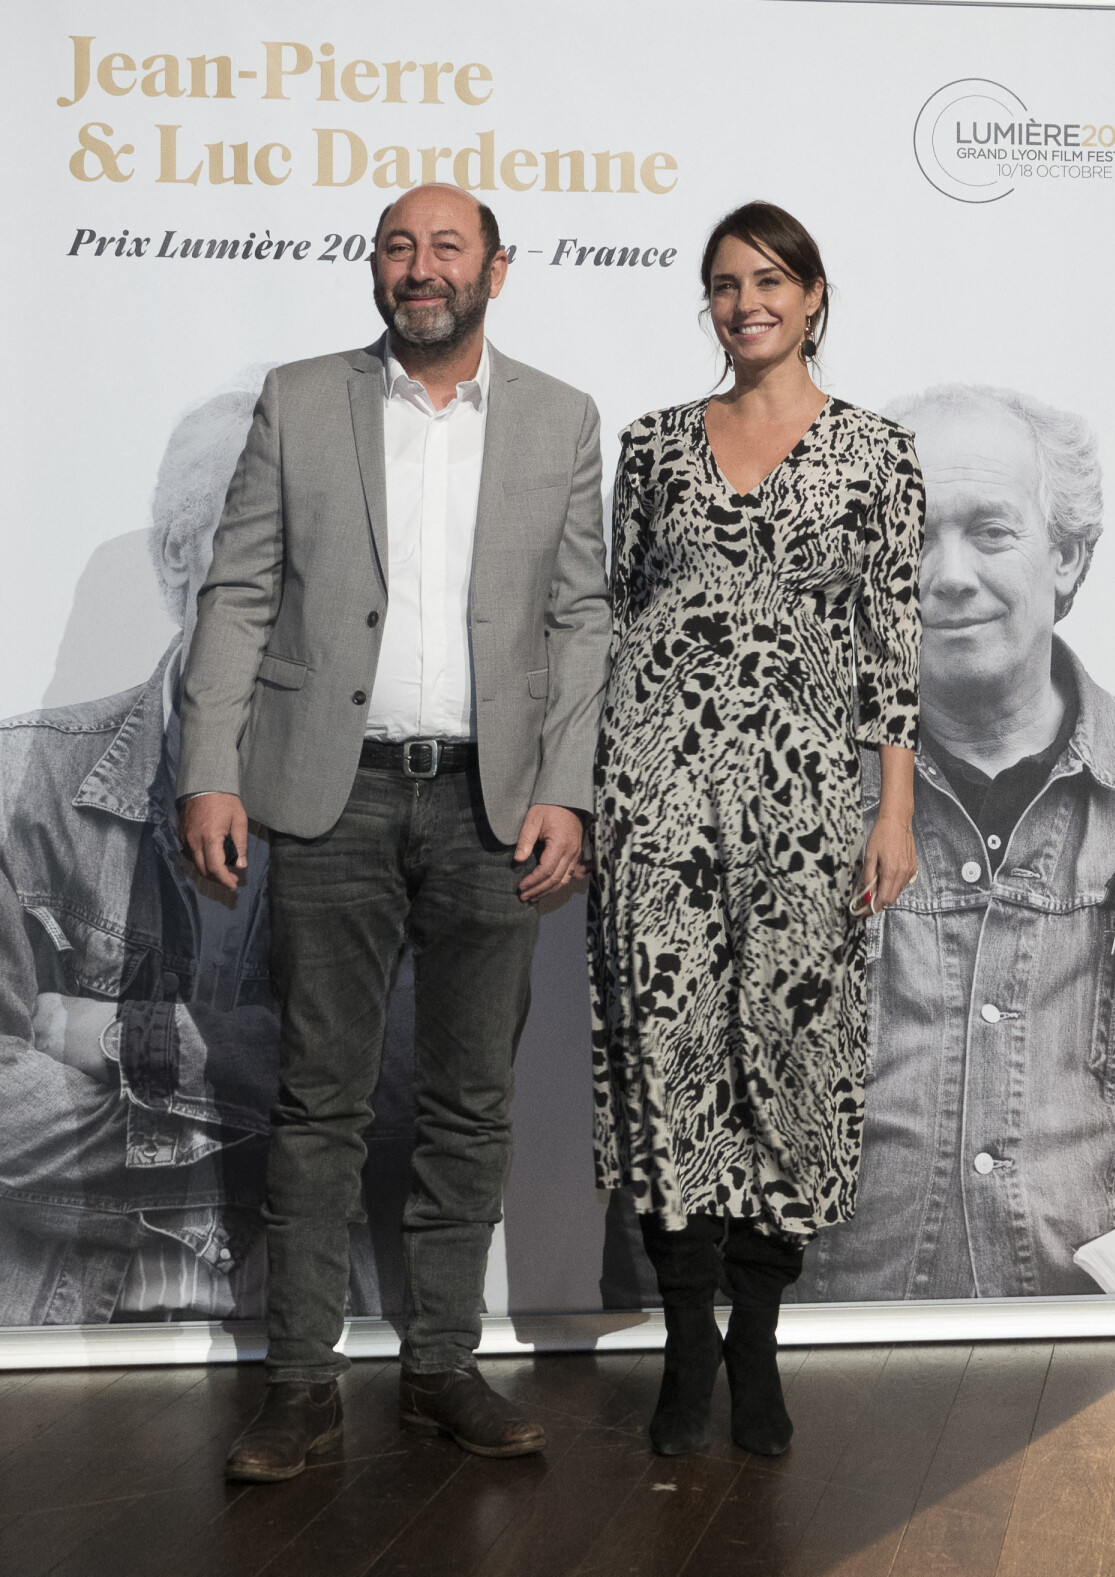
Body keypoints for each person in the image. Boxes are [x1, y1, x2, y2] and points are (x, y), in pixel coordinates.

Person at [178, 184, 610, 1479]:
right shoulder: (301, 399)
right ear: (377, 268)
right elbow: (241, 591)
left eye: (445, 248)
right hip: (329, 795)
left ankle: (439, 1367)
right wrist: (210, 768)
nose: (418, 269)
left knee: (468, 1102)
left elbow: (582, 617)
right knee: (319, 1102)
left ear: (497, 269)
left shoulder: (560, 418)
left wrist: (567, 787)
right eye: (397, 247)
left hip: (495, 806)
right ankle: (301, 1387)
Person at [589, 201, 923, 1457]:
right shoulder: (657, 446)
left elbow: (892, 647)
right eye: (725, 284)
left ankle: (758, 1340)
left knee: (789, 1061)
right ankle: (686, 1341)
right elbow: (619, 618)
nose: (746, 303)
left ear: (816, 295)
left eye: (770, 280)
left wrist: (890, 808)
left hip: (808, 808)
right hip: (657, 789)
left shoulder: (881, 454)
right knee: (670, 1059)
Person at [798, 384, 1115, 1302]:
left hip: (1113, 1382)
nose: (946, 574)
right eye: (913, 535)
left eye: (991, 531)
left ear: (1067, 557)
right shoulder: (779, 797)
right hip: (829, 1383)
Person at [0, 387, 285, 1325]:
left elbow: (410, 1086)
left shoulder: (390, 795)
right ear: (177, 555)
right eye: (264, 542)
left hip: (316, 1333)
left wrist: (110, 1041)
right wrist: (283, 1126)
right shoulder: (24, 777)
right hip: (70, 1329)